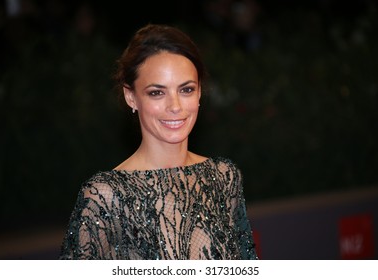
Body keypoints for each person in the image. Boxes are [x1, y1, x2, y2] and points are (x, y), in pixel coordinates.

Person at [59, 23, 258, 260]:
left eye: (186, 90)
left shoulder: (224, 177)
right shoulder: (105, 196)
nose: (175, 106)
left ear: (200, 93)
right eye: (157, 92)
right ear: (131, 96)